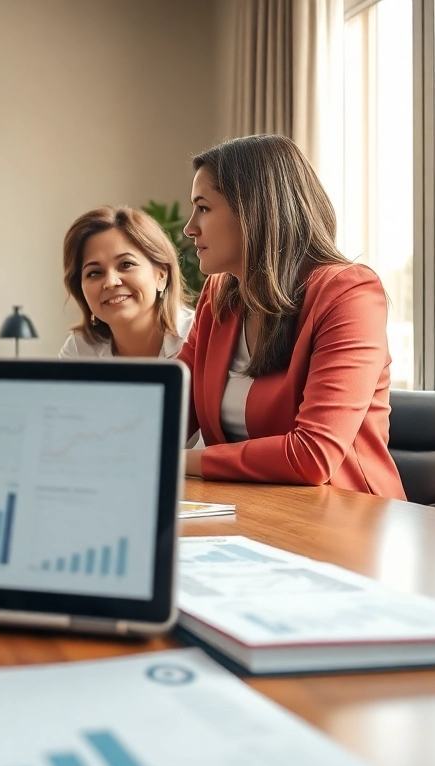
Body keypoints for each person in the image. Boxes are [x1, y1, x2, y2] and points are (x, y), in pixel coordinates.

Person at [177, 135, 405, 498]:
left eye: (203, 207)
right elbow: (166, 407)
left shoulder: (348, 294)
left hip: (346, 523)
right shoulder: (219, 295)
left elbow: (312, 455)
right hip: (253, 512)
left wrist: (180, 462)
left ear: (255, 210)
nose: (190, 227)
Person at [58, 206, 195, 359]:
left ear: (161, 275)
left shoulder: (201, 337)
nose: (110, 282)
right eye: (94, 273)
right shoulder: (79, 350)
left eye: (126, 265)